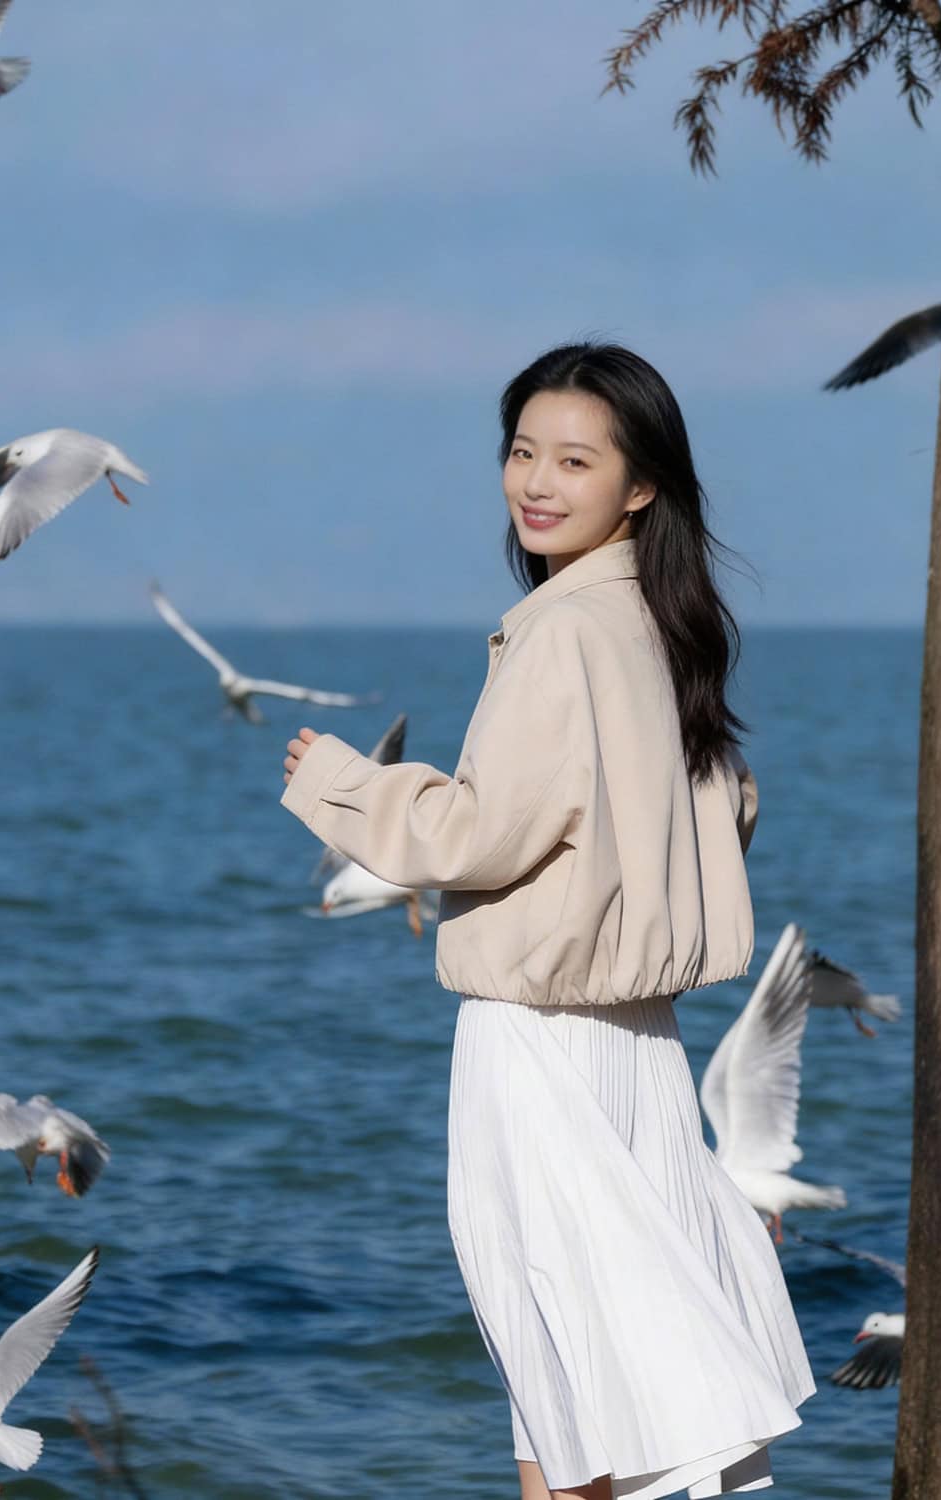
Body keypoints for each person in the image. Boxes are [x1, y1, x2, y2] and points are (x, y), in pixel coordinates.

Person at [281, 342, 813, 1499]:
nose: (535, 481)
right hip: (643, 1049)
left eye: (573, 459)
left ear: (639, 485)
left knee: (562, 1370)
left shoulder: (561, 631)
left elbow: (479, 834)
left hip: (538, 1042)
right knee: (610, 1382)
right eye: (522, 452)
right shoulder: (663, 622)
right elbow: (724, 814)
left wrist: (339, 782)